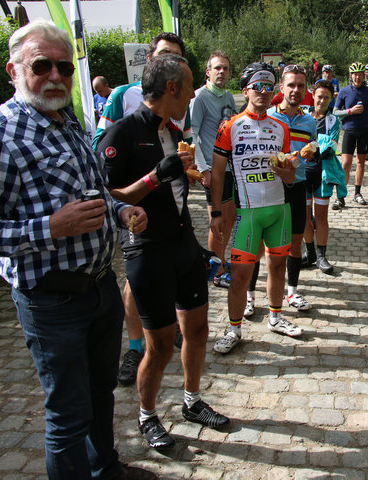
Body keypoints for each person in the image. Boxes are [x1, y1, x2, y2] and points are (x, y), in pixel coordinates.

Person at [0, 19, 154, 479]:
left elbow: (95, 191)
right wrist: (49, 228)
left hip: (100, 287)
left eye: (64, 67)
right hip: (50, 300)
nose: (56, 76)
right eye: (41, 65)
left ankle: (106, 469)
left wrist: (119, 212)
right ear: (13, 70)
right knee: (67, 415)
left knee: (100, 395)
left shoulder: (67, 117)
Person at [98, 54, 229, 451]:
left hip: (183, 245)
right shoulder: (121, 134)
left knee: (198, 330)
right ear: (172, 88)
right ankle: (147, 415)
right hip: (147, 253)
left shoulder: (173, 130)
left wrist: (192, 174)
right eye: (190, 86)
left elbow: (176, 181)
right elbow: (107, 197)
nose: (193, 93)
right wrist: (156, 176)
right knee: (158, 348)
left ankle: (191, 402)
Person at [93, 32, 186, 388]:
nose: (172, 65)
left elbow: (181, 142)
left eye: (178, 59)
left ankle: (163, 329)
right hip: (132, 206)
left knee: (169, 276)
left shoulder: (179, 96)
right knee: (135, 281)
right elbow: (103, 148)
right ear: (149, 59)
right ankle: (135, 348)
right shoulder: (122, 95)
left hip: (171, 205)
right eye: (165, 56)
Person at [210, 62, 302, 354]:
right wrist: (215, 212)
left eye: (268, 86)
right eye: (256, 86)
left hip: (279, 210)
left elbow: (289, 179)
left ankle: (275, 317)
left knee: (277, 265)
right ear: (245, 90)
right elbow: (216, 173)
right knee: (239, 275)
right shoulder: (230, 126)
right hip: (248, 212)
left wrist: (288, 170)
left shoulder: (281, 128)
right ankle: (234, 328)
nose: (263, 92)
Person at [268, 64, 318, 312]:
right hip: (270, 188)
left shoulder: (309, 121)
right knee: (265, 247)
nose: (295, 90)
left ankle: (292, 293)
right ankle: (251, 297)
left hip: (297, 187)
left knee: (295, 243)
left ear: (306, 88)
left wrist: (311, 154)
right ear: (282, 87)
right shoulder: (268, 116)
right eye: (291, 85)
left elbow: (311, 150)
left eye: (300, 85)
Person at [190, 50, 238, 289]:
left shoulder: (229, 97)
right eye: (217, 68)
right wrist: (203, 169)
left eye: (225, 68)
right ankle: (216, 272)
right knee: (217, 221)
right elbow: (192, 136)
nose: (221, 72)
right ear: (208, 72)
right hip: (212, 170)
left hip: (228, 169)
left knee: (229, 219)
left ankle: (219, 261)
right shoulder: (199, 98)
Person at [302, 80, 346, 273]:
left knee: (321, 217)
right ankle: (309, 252)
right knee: (304, 217)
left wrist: (316, 151)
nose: (322, 101)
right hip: (301, 173)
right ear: (313, 95)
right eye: (319, 96)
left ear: (332, 99)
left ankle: (321, 256)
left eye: (326, 98)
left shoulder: (333, 121)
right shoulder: (302, 116)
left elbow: (332, 146)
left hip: (322, 173)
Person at [333, 62, 368, 207]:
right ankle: (341, 196)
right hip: (349, 130)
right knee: (345, 163)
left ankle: (357, 193)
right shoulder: (344, 91)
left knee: (361, 162)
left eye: (360, 74)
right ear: (351, 76)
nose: (357, 77)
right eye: (354, 74)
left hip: (364, 131)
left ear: (364, 75)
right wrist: (350, 111)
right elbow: (335, 112)